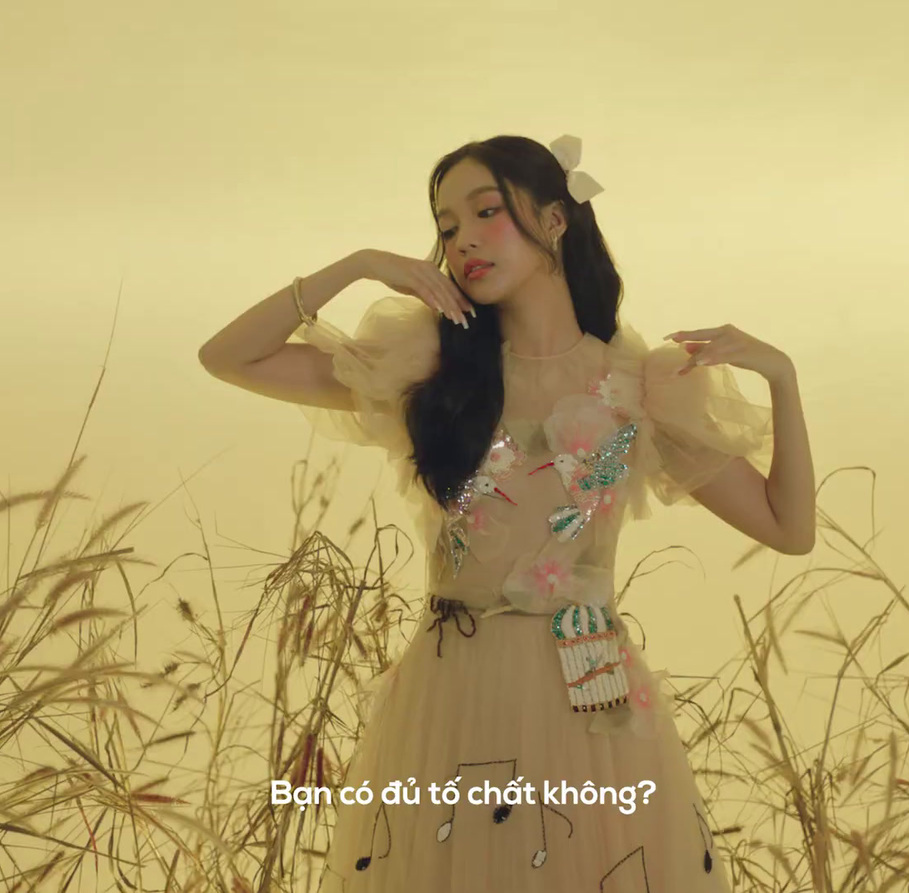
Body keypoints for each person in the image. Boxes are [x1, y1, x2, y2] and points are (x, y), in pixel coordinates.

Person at [199, 134, 815, 892]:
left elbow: (789, 529)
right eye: (447, 225)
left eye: (485, 211)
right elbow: (228, 357)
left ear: (556, 219)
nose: (462, 241)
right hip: (450, 685)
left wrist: (783, 378)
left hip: (591, 686)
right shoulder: (432, 370)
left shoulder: (637, 386)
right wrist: (358, 263)